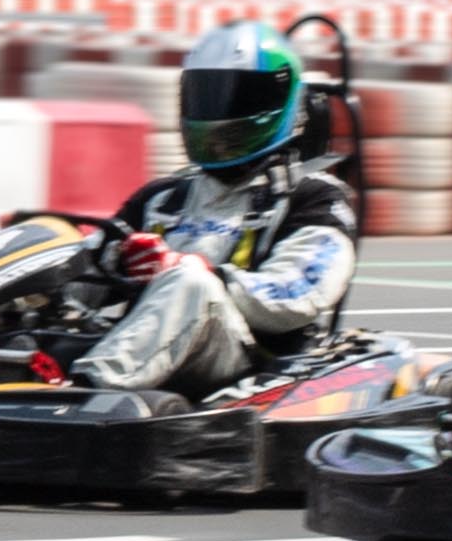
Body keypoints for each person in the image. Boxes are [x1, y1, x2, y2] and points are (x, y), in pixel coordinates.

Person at [70, 21, 360, 407]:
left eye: (238, 99)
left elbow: (297, 294)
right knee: (47, 250)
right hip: (149, 350)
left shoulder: (316, 198)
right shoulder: (165, 197)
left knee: (191, 280)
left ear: (280, 102)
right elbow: (89, 268)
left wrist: (188, 269)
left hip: (248, 363)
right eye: (207, 96)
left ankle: (82, 396)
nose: (219, 113)